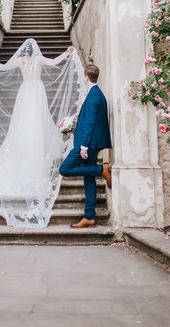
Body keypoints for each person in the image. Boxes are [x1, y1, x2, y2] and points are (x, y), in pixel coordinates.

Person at [0, 39, 85, 229]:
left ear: (23, 52)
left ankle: (28, 154)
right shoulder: (40, 59)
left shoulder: (21, 61)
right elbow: (55, 61)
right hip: (37, 91)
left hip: (26, 91)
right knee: (35, 122)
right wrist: (68, 53)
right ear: (34, 50)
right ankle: (36, 156)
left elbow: (2, 67)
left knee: (27, 123)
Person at [59, 63, 112, 228]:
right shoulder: (95, 93)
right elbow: (88, 121)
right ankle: (90, 216)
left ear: (86, 77)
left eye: (83, 76)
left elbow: (90, 123)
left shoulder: (94, 95)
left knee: (64, 169)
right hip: (88, 143)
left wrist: (83, 146)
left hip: (87, 145)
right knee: (89, 179)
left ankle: (101, 170)